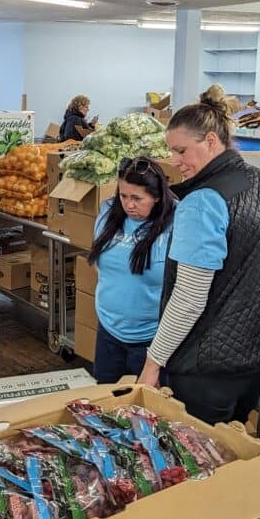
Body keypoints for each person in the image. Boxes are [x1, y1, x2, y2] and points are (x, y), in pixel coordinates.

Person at [137, 85, 260, 424]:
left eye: (181, 150)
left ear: (212, 142)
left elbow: (189, 298)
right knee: (234, 435)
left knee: (202, 454)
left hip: (211, 365)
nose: (174, 161)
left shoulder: (202, 203)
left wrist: (152, 363)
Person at [87, 156, 176, 384]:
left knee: (144, 412)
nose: (129, 205)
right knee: (106, 401)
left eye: (137, 198)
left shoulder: (176, 222)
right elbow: (102, 265)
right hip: (108, 331)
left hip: (151, 341)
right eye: (123, 196)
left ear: (156, 197)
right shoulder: (109, 212)